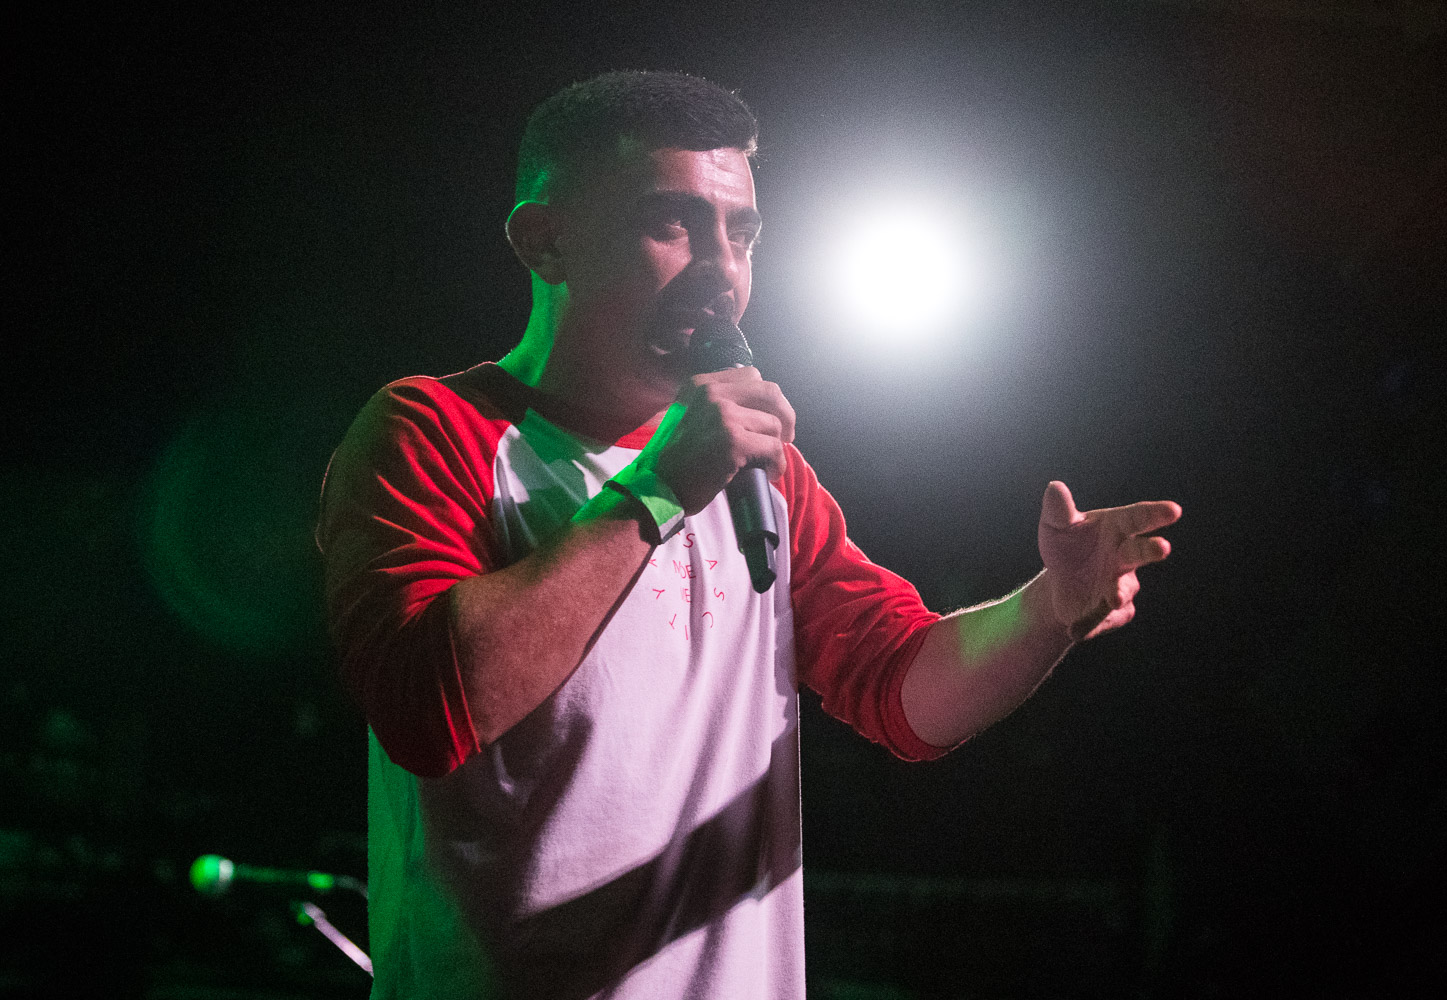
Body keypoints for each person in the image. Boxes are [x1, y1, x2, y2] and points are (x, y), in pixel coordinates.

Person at [317, 70, 1180, 1000]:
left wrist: (1048, 609)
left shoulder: (763, 471)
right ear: (546, 240)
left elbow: (902, 691)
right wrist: (656, 492)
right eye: (671, 223)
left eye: (743, 232)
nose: (719, 269)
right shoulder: (432, 429)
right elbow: (427, 708)